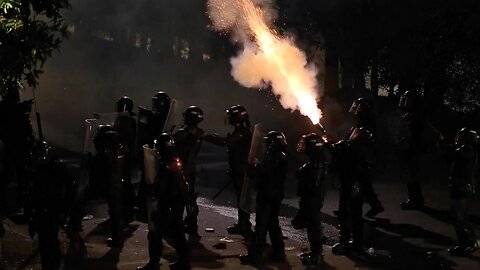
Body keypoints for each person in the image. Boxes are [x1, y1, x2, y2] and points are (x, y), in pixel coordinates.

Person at [137, 133, 190, 270]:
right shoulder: (174, 160)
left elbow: (161, 187)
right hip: (175, 204)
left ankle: (154, 263)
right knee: (176, 234)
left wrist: (149, 189)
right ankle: (183, 262)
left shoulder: (165, 164)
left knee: (156, 234)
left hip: (168, 205)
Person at [239, 131, 288, 264]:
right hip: (275, 195)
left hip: (268, 195)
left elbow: (262, 174)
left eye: (268, 142)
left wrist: (249, 167)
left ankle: (255, 255)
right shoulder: (280, 155)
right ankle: (279, 252)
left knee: (261, 225)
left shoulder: (273, 158)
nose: (265, 144)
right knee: (273, 224)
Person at [204, 105, 253, 236]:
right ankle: (243, 224)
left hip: (242, 171)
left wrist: (206, 136)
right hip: (239, 169)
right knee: (241, 198)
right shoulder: (242, 130)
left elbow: (226, 142)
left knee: (243, 199)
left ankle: (244, 226)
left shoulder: (242, 132)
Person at [25, 141, 74, 270]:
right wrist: (31, 214)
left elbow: (68, 188)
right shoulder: (36, 170)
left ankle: (52, 265)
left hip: (53, 208)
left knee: (50, 240)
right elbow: (31, 194)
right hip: (42, 210)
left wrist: (65, 210)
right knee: (44, 241)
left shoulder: (56, 168)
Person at [331, 127, 374, 255]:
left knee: (346, 213)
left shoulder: (353, 148)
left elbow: (340, 154)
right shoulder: (360, 148)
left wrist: (332, 145)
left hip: (352, 184)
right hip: (357, 184)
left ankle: (345, 242)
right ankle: (357, 243)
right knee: (356, 214)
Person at [440, 128, 479, 256]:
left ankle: (467, 243)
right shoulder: (465, 149)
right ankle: (469, 242)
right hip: (459, 185)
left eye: (460, 136)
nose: (457, 137)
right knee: (460, 216)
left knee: (459, 217)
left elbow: (451, 154)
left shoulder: (466, 150)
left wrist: (443, 142)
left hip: (461, 186)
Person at [292, 133, 329, 265]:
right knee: (312, 225)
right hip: (312, 197)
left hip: (312, 198)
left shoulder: (317, 162)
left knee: (313, 226)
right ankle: (315, 252)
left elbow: (313, 182)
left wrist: (302, 174)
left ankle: (316, 255)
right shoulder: (316, 159)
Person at [90, 126, 127, 247]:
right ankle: (118, 238)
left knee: (82, 198)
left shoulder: (104, 155)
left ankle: (73, 226)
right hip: (115, 183)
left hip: (107, 183)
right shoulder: (116, 151)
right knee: (115, 211)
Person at [173, 106, 205, 240]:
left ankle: (179, 225)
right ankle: (192, 225)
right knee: (190, 197)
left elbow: (172, 141)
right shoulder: (198, 132)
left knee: (181, 197)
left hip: (183, 167)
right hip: (190, 167)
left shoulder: (186, 133)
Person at [349, 97, 383, 217]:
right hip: (361, 155)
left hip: (364, 156)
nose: (356, 109)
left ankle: (355, 208)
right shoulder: (363, 121)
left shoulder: (369, 122)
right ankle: (375, 205)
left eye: (359, 107)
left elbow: (366, 141)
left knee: (360, 182)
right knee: (363, 183)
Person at [398, 90, 426, 210]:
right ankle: (414, 199)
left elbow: (413, 134)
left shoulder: (415, 117)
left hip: (412, 150)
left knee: (412, 175)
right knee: (410, 175)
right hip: (410, 149)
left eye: (407, 99)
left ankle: (415, 200)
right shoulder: (411, 115)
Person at [113, 96, 136, 225]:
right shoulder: (123, 120)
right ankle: (126, 211)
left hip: (123, 156)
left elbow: (125, 140)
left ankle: (126, 212)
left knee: (124, 182)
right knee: (124, 182)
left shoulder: (127, 121)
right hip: (120, 155)